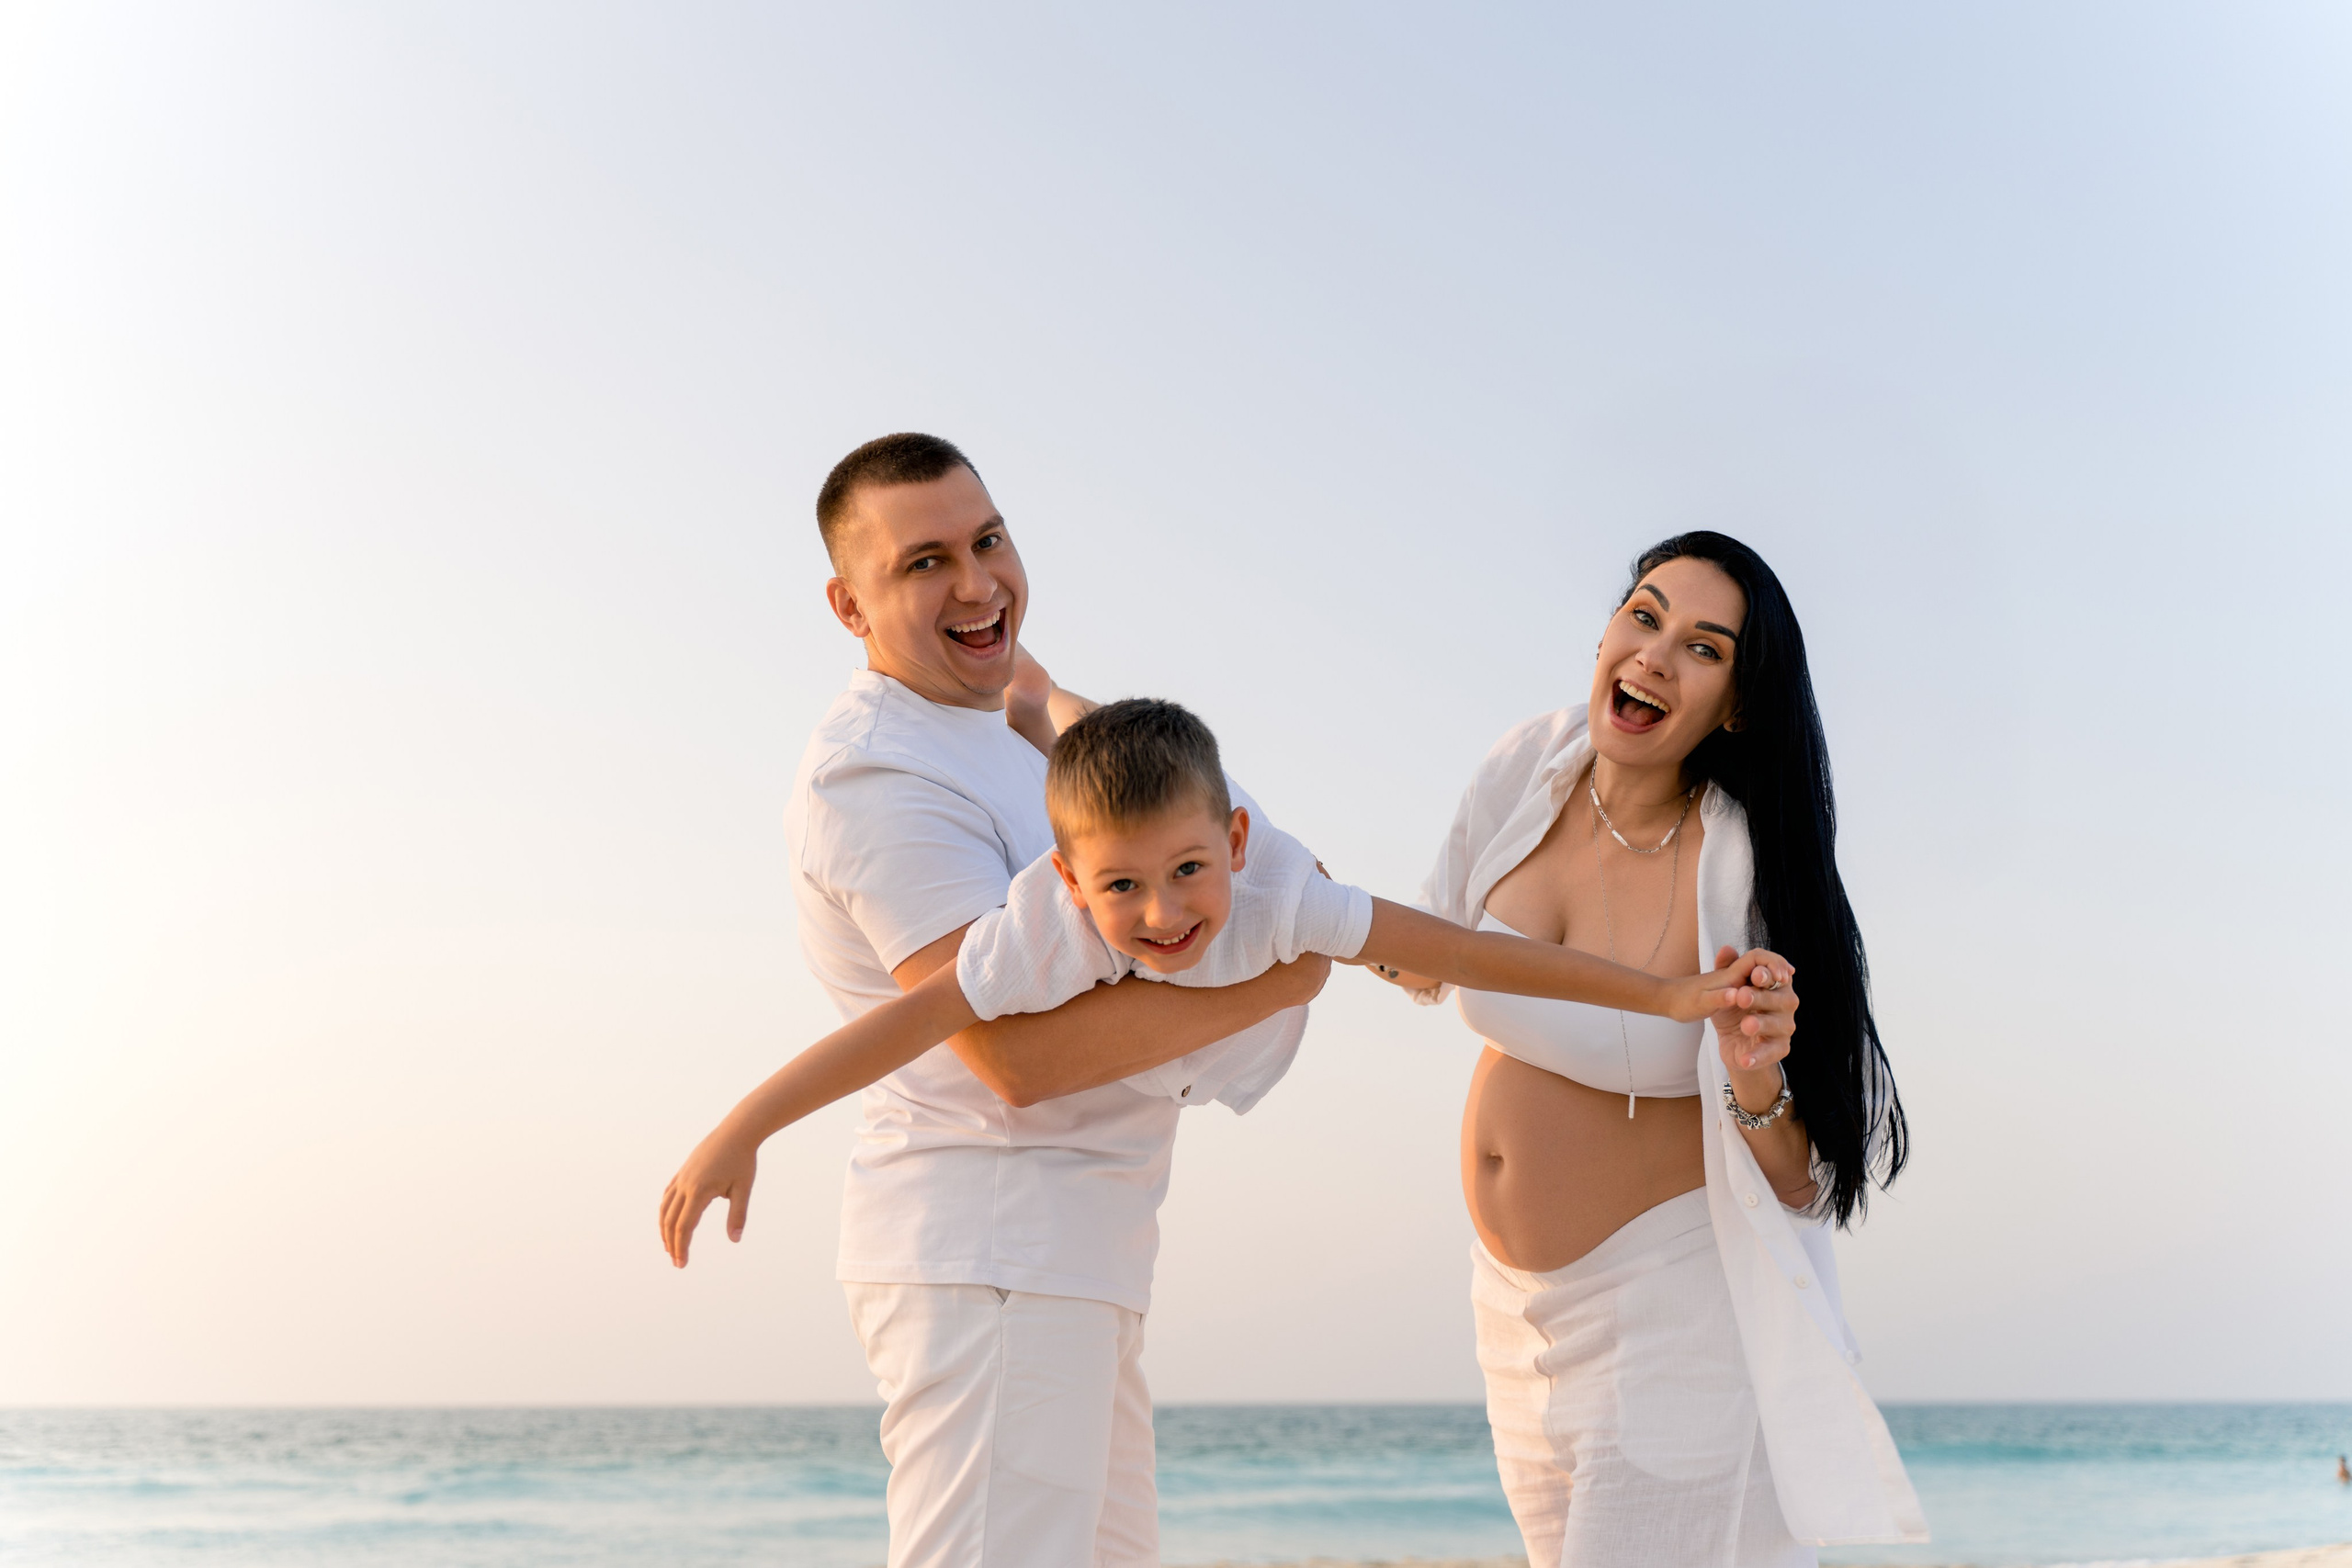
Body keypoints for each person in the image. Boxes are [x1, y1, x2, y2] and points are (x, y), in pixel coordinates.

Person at [734, 434, 1330, 1568]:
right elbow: (1011, 1054)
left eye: (989, 540)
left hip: (1076, 1255)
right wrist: (1287, 977)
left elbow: (1119, 759)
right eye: (923, 563)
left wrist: (1045, 693)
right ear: (847, 604)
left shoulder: (1000, 715)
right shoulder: (876, 776)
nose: (975, 582)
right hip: (993, 1254)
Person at [662, 698, 1789, 1265]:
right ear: (1066, 878)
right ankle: (1051, 698)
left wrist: (1668, 996)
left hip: (1264, 969)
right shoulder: (1038, 927)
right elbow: (902, 1026)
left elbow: (1476, 953)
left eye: (1189, 872)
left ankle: (1060, 702)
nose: (1162, 917)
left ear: (1234, 845)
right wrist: (742, 1128)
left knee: (1378, 933)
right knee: (1099, 755)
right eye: (1122, 889)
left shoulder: (1275, 893)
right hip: (1195, 1024)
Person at [1375, 531, 1928, 1565]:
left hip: (1674, 1321)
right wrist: (1285, 898)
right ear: (1605, 633)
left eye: (1703, 647)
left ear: (1739, 703)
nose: (1655, 656)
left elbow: (1806, 1182)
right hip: (1514, 1325)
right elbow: (1429, 955)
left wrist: (1756, 1074)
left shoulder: (1744, 867)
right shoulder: (1523, 769)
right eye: (1644, 615)